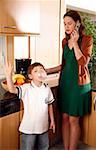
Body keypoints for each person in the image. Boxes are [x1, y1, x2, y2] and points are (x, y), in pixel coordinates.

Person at [46, 10, 93, 150]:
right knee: (64, 118)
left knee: (73, 119)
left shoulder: (87, 40)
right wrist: (47, 70)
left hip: (78, 86)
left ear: (77, 24)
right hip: (65, 83)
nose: (66, 27)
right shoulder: (64, 41)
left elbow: (83, 63)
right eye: (65, 24)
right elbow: (64, 64)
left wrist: (75, 44)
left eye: (70, 23)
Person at [5, 62, 55, 150]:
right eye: (35, 71)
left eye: (41, 70)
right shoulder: (26, 88)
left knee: (44, 147)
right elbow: (12, 90)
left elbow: (49, 104)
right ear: (30, 76)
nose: (39, 72)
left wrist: (52, 121)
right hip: (29, 128)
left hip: (44, 127)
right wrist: (8, 75)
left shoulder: (47, 89)